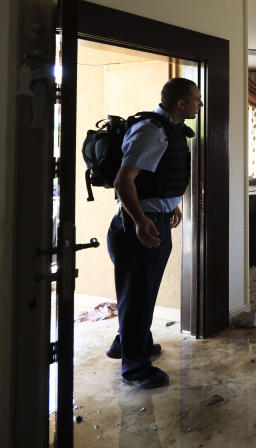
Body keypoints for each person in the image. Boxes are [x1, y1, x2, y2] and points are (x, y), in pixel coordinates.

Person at [106, 77, 202, 389]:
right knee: (137, 295)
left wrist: (170, 205)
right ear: (181, 103)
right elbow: (124, 182)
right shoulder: (152, 130)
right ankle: (135, 369)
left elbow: (154, 179)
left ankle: (128, 343)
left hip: (155, 218)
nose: (200, 104)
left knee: (141, 293)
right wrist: (139, 219)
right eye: (196, 99)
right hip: (140, 225)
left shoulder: (169, 130)